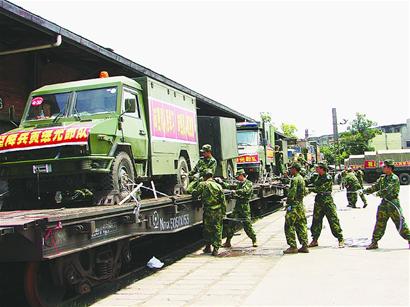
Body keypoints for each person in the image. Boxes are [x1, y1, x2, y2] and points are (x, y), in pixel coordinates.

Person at [364, 159, 410, 250]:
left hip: (393, 204)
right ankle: (374, 242)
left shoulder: (394, 178)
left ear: (389, 168)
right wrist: (364, 191)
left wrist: (378, 193)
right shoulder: (382, 178)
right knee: (379, 223)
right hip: (384, 203)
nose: (383, 168)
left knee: (400, 223)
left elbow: (388, 189)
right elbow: (375, 187)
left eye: (384, 166)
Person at [307, 162, 344, 248]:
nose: (316, 169)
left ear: (322, 169)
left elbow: (321, 189)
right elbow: (308, 180)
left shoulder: (327, 177)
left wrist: (309, 189)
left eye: (317, 168)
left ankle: (340, 239)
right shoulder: (316, 176)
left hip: (327, 202)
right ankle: (315, 240)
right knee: (316, 221)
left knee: (333, 220)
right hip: (319, 202)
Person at [191, 169, 226, 256]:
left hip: (208, 210)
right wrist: (224, 213)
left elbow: (195, 193)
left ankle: (208, 247)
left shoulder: (203, 184)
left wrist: (193, 188)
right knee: (217, 229)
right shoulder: (218, 186)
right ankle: (216, 249)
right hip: (218, 211)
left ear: (204, 176)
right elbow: (223, 201)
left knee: (207, 229)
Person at [222, 169, 257, 248]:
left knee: (247, 225)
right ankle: (228, 242)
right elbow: (229, 186)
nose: (237, 178)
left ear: (242, 175)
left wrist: (236, 191)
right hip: (237, 207)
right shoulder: (239, 184)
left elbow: (246, 191)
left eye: (238, 177)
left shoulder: (248, 183)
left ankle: (254, 240)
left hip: (244, 207)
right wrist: (221, 182)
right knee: (231, 224)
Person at [283, 162, 309, 254]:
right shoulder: (301, 178)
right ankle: (304, 245)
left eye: (291, 169)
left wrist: (288, 202)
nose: (290, 170)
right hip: (300, 205)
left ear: (294, 169)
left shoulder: (294, 179)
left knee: (289, 225)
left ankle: (293, 246)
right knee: (301, 225)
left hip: (293, 206)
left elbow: (292, 193)